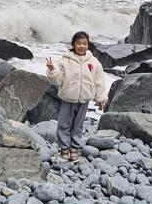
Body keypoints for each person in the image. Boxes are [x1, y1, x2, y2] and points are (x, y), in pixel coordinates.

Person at [45, 31, 108, 163]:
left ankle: (74, 151)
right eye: (79, 43)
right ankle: (64, 151)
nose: (82, 46)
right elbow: (59, 80)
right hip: (68, 98)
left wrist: (101, 100)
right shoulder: (65, 60)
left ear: (88, 45)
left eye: (85, 43)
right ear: (73, 44)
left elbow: (99, 82)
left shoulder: (93, 62)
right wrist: (52, 70)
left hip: (84, 100)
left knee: (78, 126)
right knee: (64, 125)